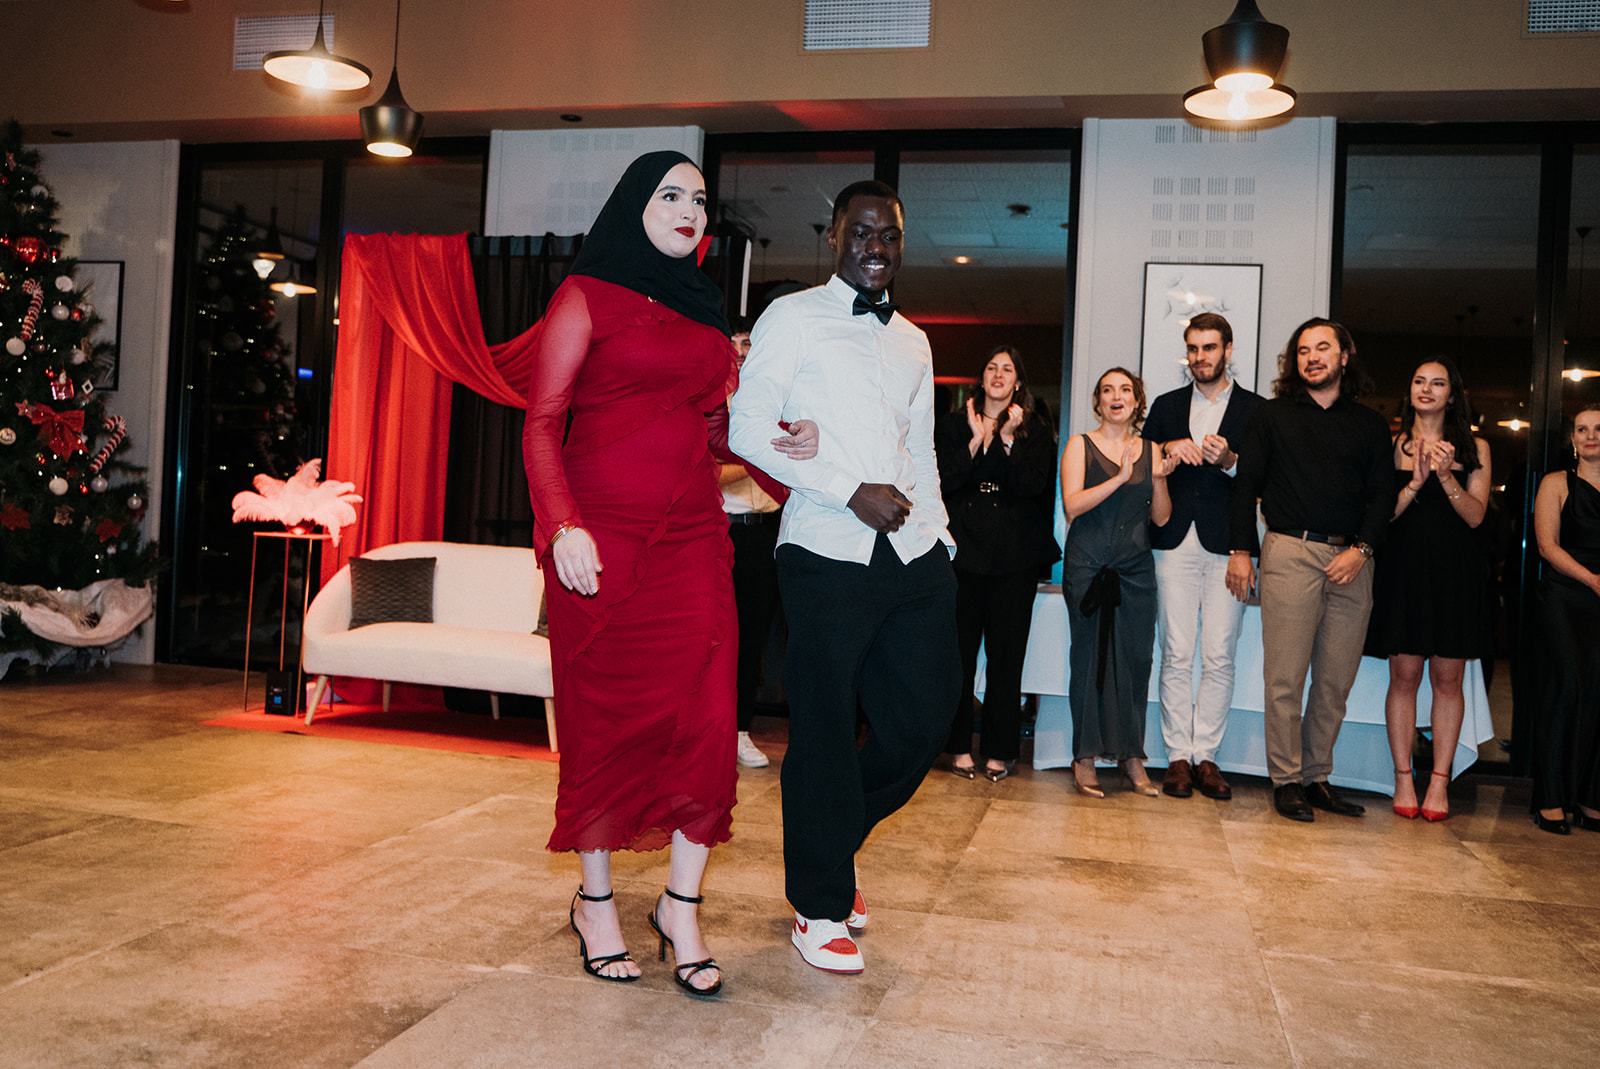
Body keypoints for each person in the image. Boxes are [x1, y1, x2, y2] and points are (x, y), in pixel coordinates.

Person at [522, 152, 816, 995]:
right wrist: (562, 525)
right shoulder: (584, 297)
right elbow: (541, 423)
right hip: (599, 541)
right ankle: (596, 902)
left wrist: (782, 441)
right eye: (672, 196)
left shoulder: (702, 310)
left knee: (706, 717)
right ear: (634, 205)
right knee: (602, 723)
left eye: (700, 200)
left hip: (692, 538)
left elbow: (714, 428)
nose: (691, 210)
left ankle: (681, 906)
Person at [729, 179, 959, 975]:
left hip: (914, 550)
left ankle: (830, 840)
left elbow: (920, 448)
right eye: (860, 232)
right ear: (833, 236)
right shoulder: (792, 318)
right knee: (824, 728)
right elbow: (746, 426)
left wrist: (941, 534)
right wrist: (846, 488)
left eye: (888, 234)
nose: (875, 246)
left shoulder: (915, 341)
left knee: (923, 721)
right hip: (825, 547)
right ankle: (820, 904)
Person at [1226, 318, 1395, 823]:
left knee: (1334, 682)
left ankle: (1317, 776)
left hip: (1352, 561)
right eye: (1303, 350)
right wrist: (1241, 550)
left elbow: (1382, 496)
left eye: (1323, 348)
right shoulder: (1271, 416)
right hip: (1290, 552)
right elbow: (1245, 485)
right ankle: (1286, 780)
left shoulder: (1369, 425)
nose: (1312, 357)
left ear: (1345, 356)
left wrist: (1361, 550)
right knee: (1285, 679)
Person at [1363, 357, 1492, 822]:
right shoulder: (1391, 445)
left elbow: (1476, 516)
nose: (1426, 389)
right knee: (1404, 676)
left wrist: (1445, 476)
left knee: (1448, 680)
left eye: (1437, 383)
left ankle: (1439, 782)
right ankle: (1403, 777)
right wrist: (1416, 482)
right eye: (1419, 381)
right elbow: (1379, 517)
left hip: (1454, 574)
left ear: (1451, 395)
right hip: (1402, 570)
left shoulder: (1476, 446)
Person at [1143, 313, 1260, 801]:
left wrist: (1230, 461)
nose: (1200, 357)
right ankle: (1176, 756)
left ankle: (1206, 755)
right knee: (1175, 651)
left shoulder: (1255, 410)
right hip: (1173, 542)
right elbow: (1143, 457)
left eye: (1209, 348)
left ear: (1228, 350)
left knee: (1219, 653)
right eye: (1193, 348)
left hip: (1230, 547)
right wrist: (1168, 447)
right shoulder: (1167, 406)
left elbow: (1263, 479)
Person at [936, 345, 1060, 783]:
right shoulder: (955, 423)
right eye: (991, 367)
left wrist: (1006, 440)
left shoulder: (1034, 428)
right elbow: (944, 480)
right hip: (963, 550)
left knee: (1007, 657)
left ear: (1018, 381)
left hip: (1014, 554)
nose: (998, 374)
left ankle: (1000, 749)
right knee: (959, 654)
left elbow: (1032, 486)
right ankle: (956, 746)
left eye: (1007, 369)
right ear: (982, 377)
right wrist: (975, 440)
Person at [1061, 367, 1175, 798]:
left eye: (1125, 390)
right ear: (1098, 401)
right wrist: (1120, 478)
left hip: (1135, 570)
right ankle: (1084, 758)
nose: (1116, 396)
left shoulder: (1150, 448)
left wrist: (1158, 478)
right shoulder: (1080, 445)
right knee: (1088, 661)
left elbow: (1161, 518)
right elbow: (1073, 505)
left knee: (1135, 662)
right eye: (1107, 390)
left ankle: (1131, 757)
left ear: (1137, 401)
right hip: (1089, 568)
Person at [1529, 403, 1600, 835]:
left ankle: (1592, 799)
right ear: (1572, 439)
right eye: (1582, 429)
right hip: (1564, 596)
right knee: (1567, 686)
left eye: (1598, 428)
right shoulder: (1556, 483)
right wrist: (1592, 579)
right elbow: (1546, 547)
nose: (1591, 435)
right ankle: (1551, 798)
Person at [720, 325, 779, 769]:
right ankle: (707, 731)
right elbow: (704, 471)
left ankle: (741, 730)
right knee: (714, 636)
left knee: (752, 638)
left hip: (766, 533)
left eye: (747, 343)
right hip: (721, 531)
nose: (741, 352)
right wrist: (755, 460)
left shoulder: (773, 402)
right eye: (733, 344)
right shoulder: (709, 402)